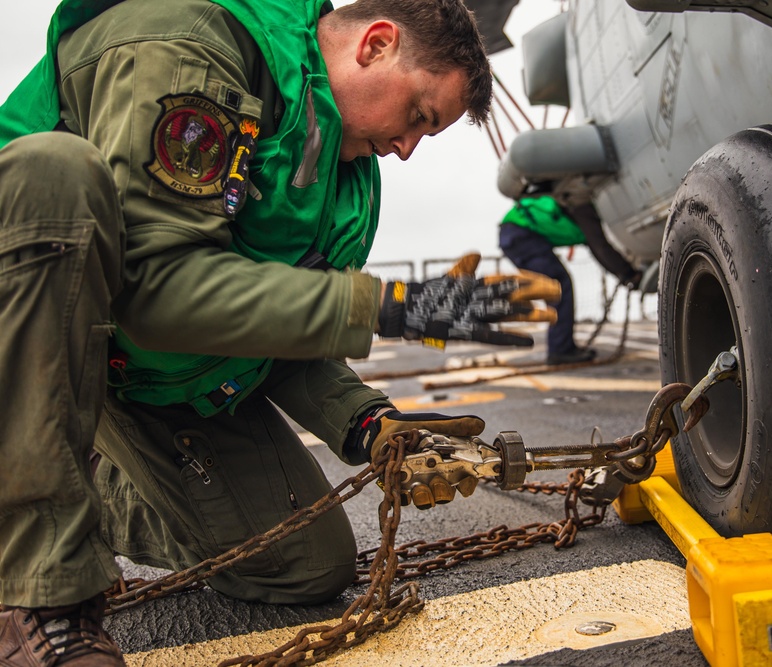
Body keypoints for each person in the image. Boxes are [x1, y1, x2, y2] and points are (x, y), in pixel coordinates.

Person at [0, 1, 559, 664]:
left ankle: (83, 486)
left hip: (144, 377)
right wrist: (390, 306)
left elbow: (284, 333)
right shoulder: (197, 43)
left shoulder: (348, 185)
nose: (408, 150)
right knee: (56, 177)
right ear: (375, 45)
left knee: (307, 561)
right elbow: (153, 288)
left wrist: (375, 428)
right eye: (417, 116)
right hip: (38, 331)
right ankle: (37, 592)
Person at [499, 193, 643, 365]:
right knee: (558, 286)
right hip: (521, 235)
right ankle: (560, 349)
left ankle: (563, 345)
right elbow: (601, 248)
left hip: (517, 235)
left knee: (558, 285)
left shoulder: (575, 206)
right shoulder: (584, 210)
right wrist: (629, 274)